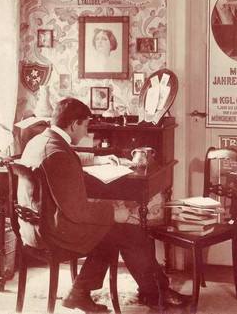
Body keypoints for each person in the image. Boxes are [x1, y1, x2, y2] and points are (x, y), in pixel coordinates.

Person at [18, 98, 189, 311]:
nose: (86, 132)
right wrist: (114, 212)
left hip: (34, 228)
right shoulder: (58, 153)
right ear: (74, 125)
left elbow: (63, 176)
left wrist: (97, 162)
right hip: (53, 232)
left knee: (115, 232)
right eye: (86, 125)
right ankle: (153, 292)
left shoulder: (40, 142)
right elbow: (77, 211)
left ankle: (89, 292)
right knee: (126, 231)